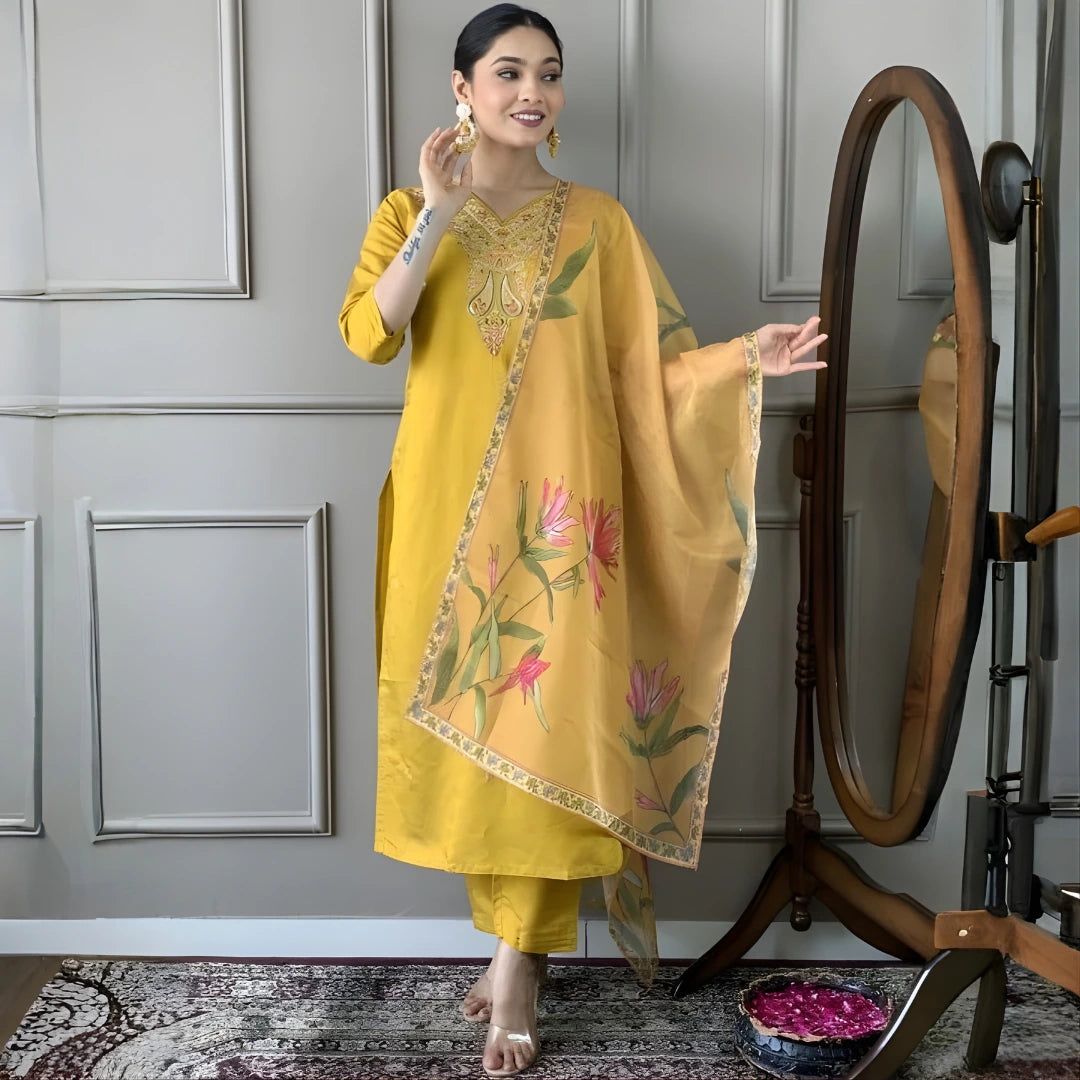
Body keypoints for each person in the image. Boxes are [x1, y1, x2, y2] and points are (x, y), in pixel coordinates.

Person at [339, 5, 827, 1075]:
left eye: (549, 74)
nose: (533, 91)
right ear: (460, 88)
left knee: (548, 730)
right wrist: (435, 210)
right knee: (473, 744)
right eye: (508, 72)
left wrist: (749, 357)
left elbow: (649, 375)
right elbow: (371, 334)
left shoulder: (598, 225)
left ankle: (517, 967)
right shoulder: (409, 210)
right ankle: (513, 946)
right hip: (441, 511)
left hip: (560, 528)